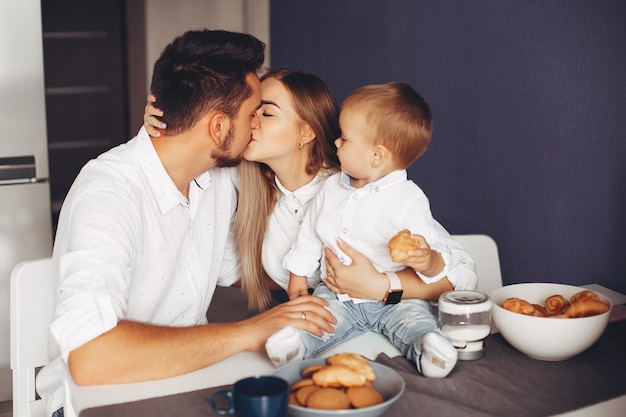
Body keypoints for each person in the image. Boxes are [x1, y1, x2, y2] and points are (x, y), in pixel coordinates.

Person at [36, 30, 336, 417]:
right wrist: (250, 332)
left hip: (188, 383)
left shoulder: (217, 179)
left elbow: (251, 266)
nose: (255, 127)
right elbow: (91, 358)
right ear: (217, 127)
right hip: (99, 399)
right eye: (251, 114)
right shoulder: (108, 193)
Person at [144, 70, 477, 312]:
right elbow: (220, 266)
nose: (252, 121)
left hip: (391, 328)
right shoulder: (245, 184)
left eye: (267, 112)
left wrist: (381, 287)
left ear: (305, 132)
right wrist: (168, 126)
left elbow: (463, 275)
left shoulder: (357, 189)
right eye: (252, 111)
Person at [265, 82, 471, 378]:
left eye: (345, 139)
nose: (335, 143)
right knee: (318, 317)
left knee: (415, 320)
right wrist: (297, 276)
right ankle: (296, 346)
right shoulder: (331, 188)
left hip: (397, 300)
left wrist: (428, 260)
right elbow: (310, 234)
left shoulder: (408, 199)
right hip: (338, 296)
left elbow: (438, 256)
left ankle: (430, 349)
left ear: (377, 156)